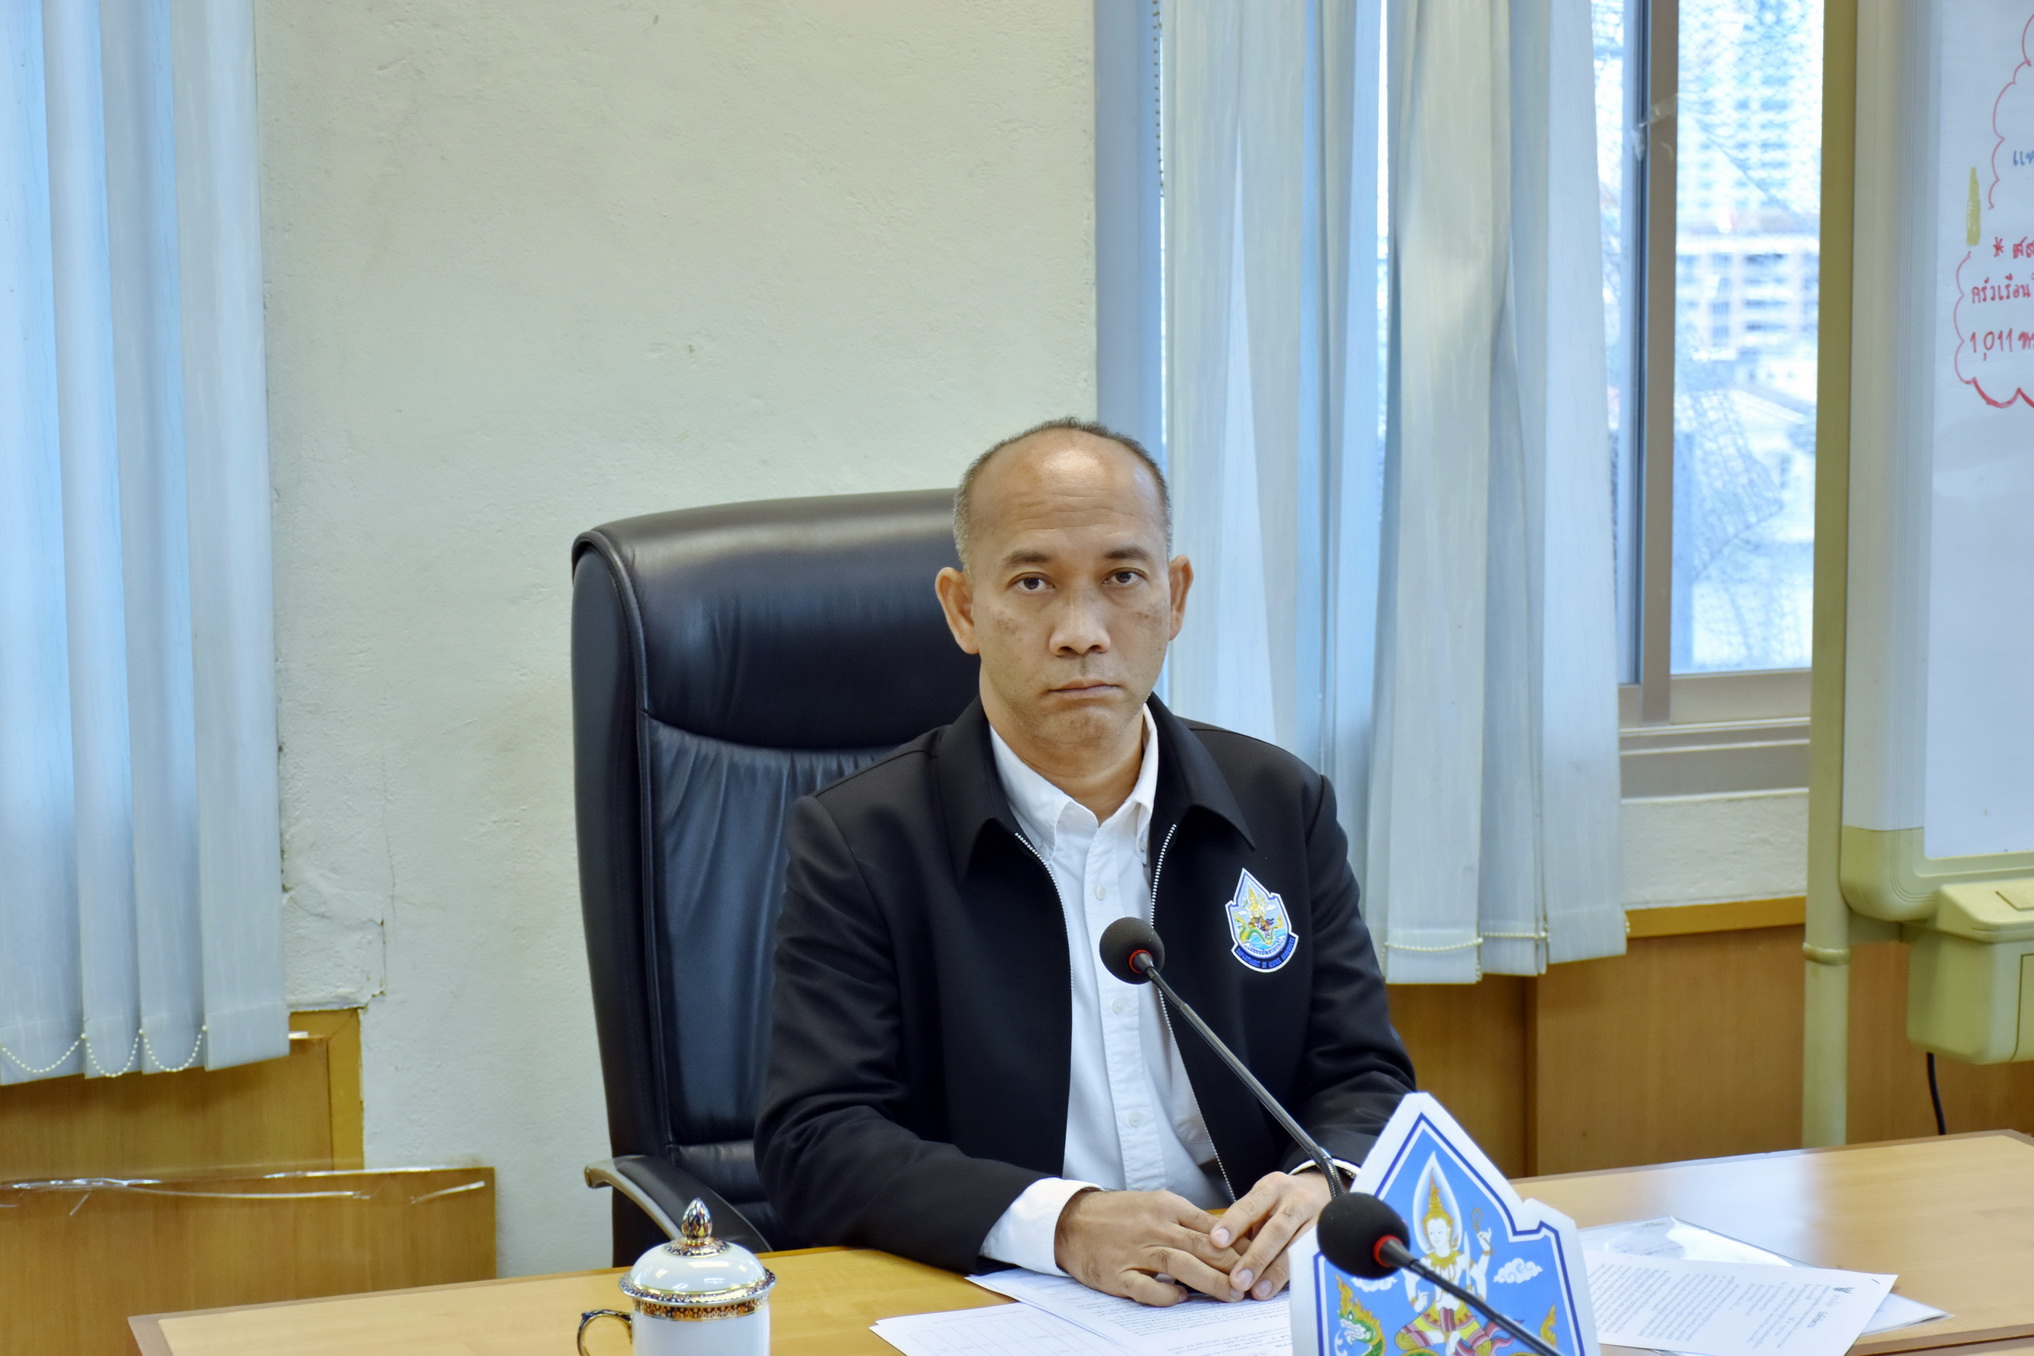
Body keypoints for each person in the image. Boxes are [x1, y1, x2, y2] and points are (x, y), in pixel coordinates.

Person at [756, 418, 1415, 1306]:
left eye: (1122, 578)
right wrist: (1061, 1224)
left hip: (1251, 1299)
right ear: (963, 609)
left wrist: (1320, 1184)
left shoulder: (1279, 805)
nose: (1081, 631)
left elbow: (1363, 1077)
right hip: (1002, 1300)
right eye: (1033, 583)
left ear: (1174, 598)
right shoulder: (864, 840)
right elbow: (817, 1140)